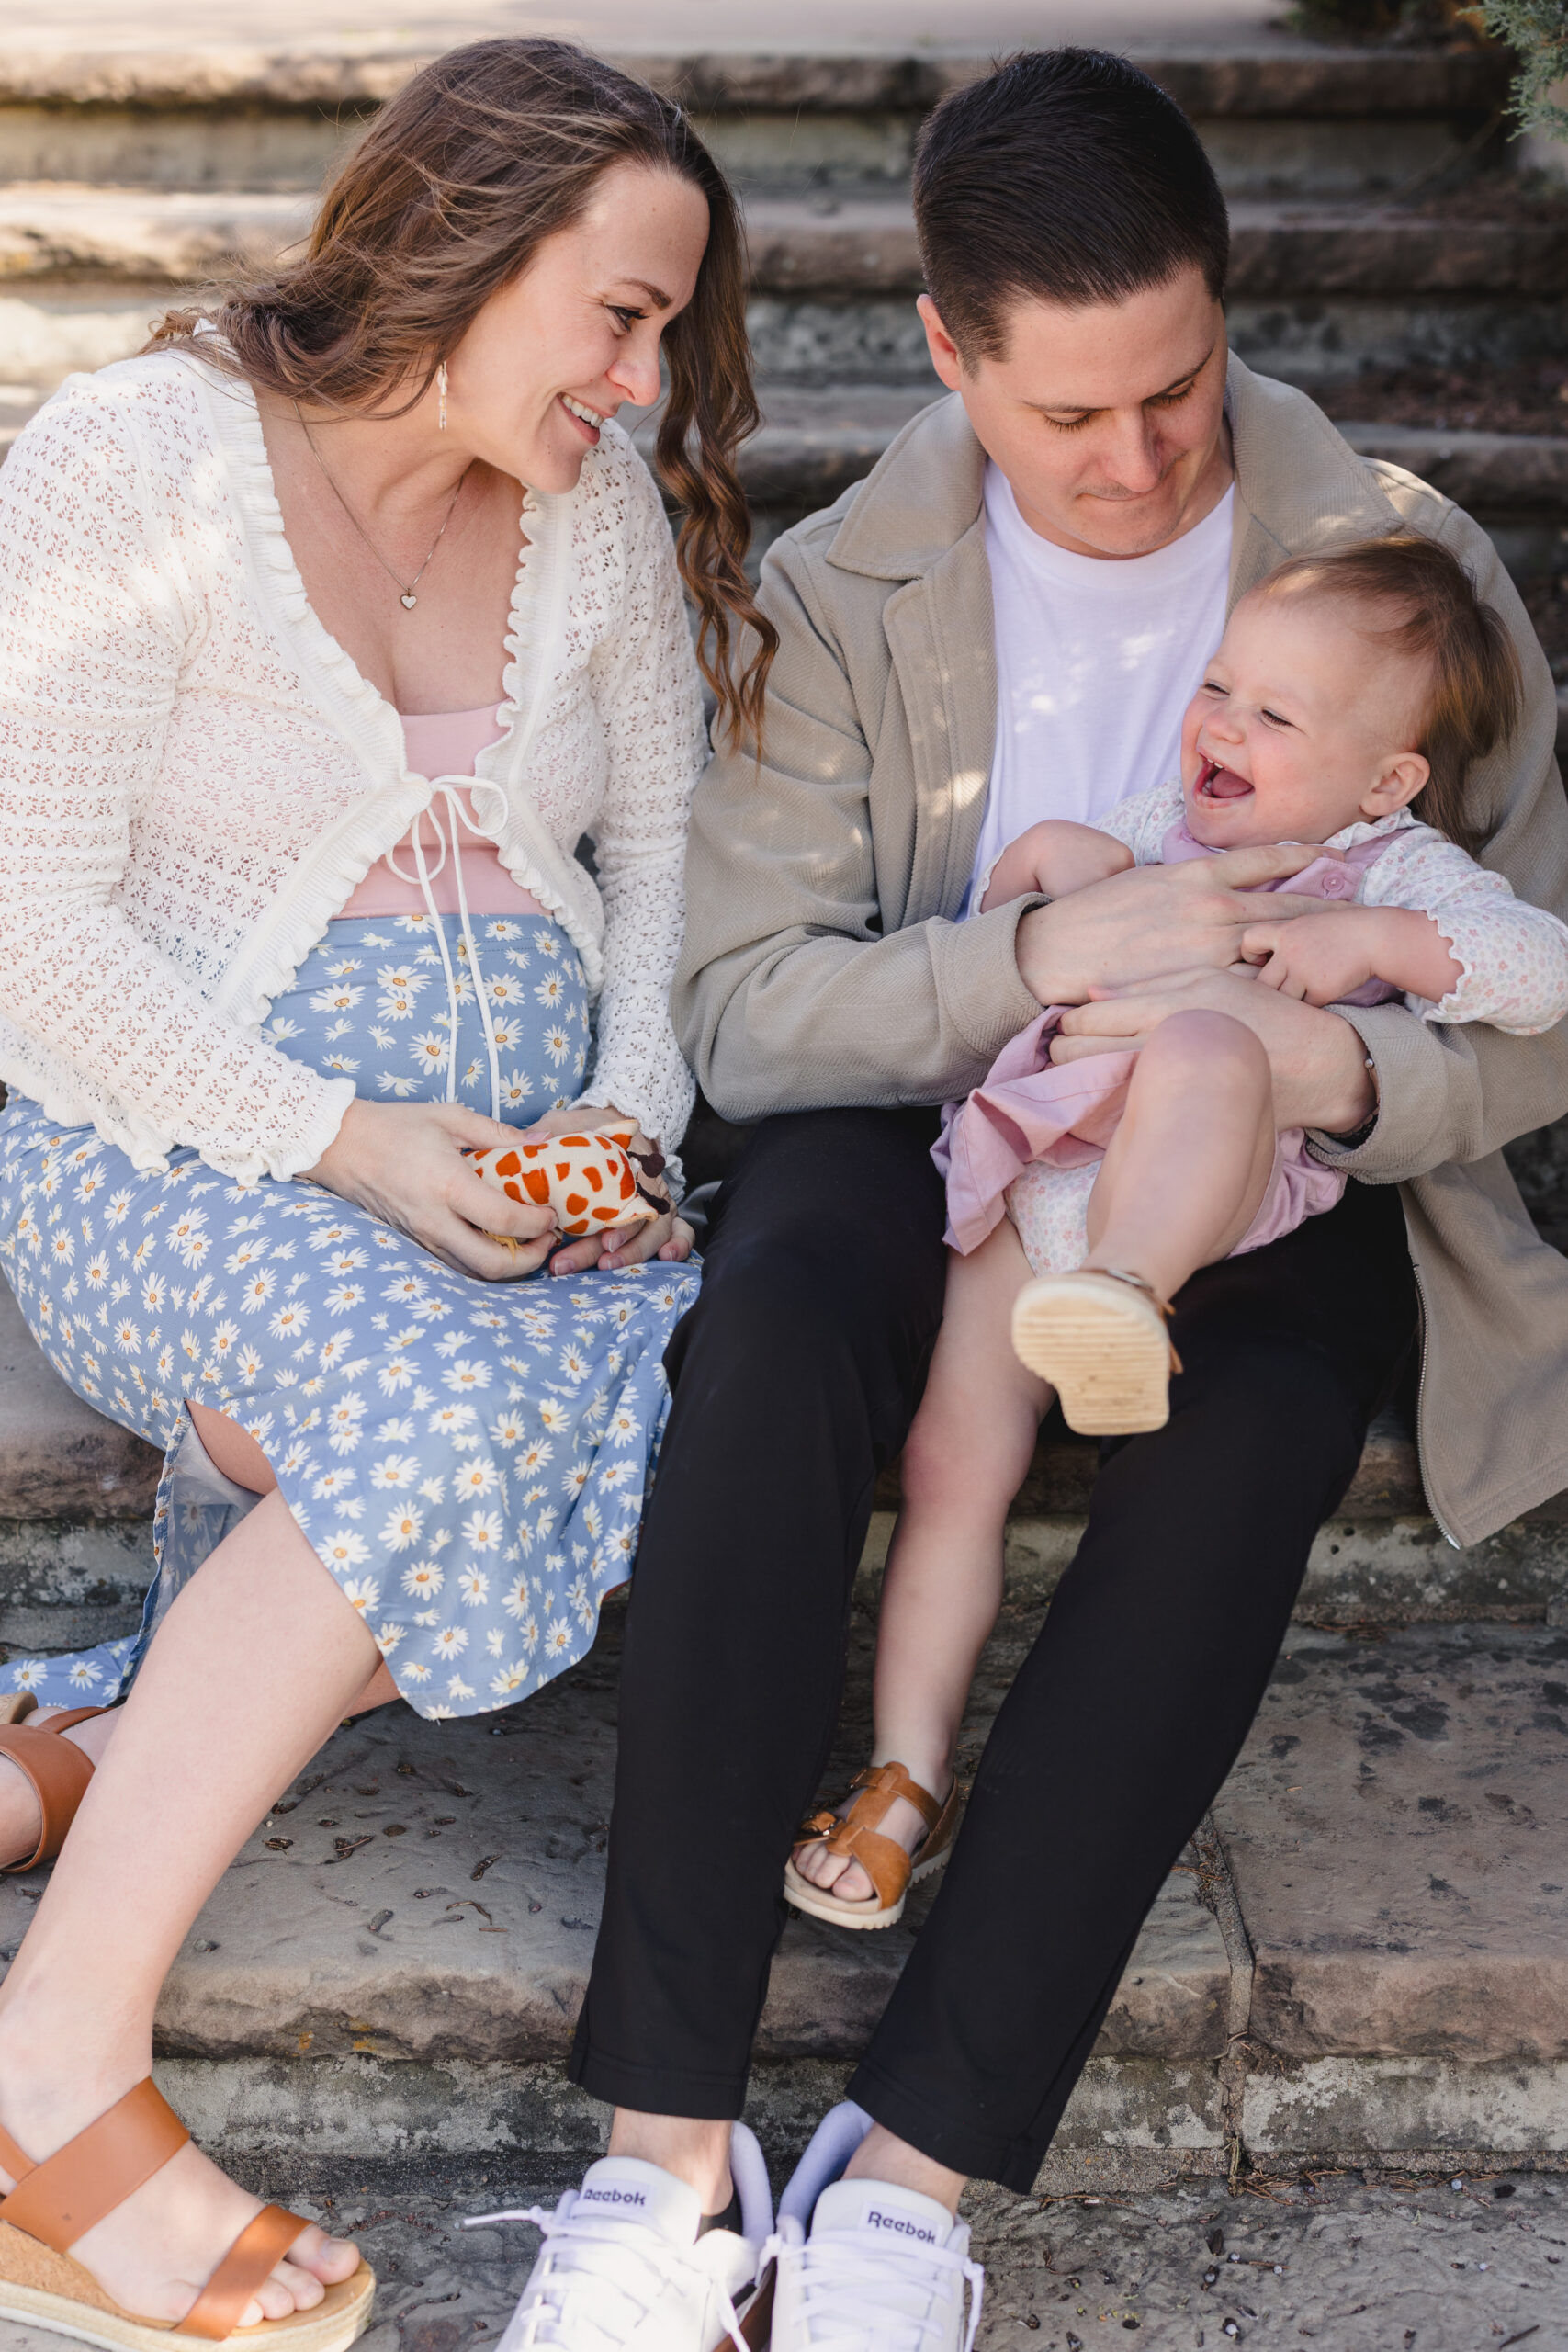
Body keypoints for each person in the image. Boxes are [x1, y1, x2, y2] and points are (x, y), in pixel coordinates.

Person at [497, 47, 1568, 2352]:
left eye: (1174, 386)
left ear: (1223, 300)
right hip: (931, 1110)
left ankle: (914, 2170)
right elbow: (737, 1010)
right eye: (1068, 413)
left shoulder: (1403, 557)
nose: (1140, 455)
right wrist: (1033, 959)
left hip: (1266, 1138)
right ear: (948, 345)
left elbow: (1532, 990)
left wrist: (1319, 1054)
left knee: (1261, 1426)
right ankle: (660, 2150)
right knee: (773, 1320)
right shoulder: (828, 586)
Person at [0, 39, 773, 2346]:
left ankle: (101, 1744)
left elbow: (657, 874)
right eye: (617, 315)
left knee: (679, 1413)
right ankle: (45, 2087)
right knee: (431, 1430)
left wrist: (621, 1132)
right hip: (175, 1145)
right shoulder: (139, 463)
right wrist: (350, 1147)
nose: (642, 383)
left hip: (530, 1195)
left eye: (666, 332)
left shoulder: (595, 512)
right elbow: (25, 935)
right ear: (462, 241)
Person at [786, 531, 1568, 1930]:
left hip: (1199, 1195)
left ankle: (1126, 1305)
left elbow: (1541, 971)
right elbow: (1018, 898)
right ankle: (906, 1777)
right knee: (950, 1464)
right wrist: (1046, 867)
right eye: (1220, 688)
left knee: (1214, 1040)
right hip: (1037, 1186)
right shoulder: (1164, 823)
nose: (1224, 727)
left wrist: (1379, 948)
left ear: (1386, 777)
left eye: (1278, 715)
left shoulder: (1401, 868)